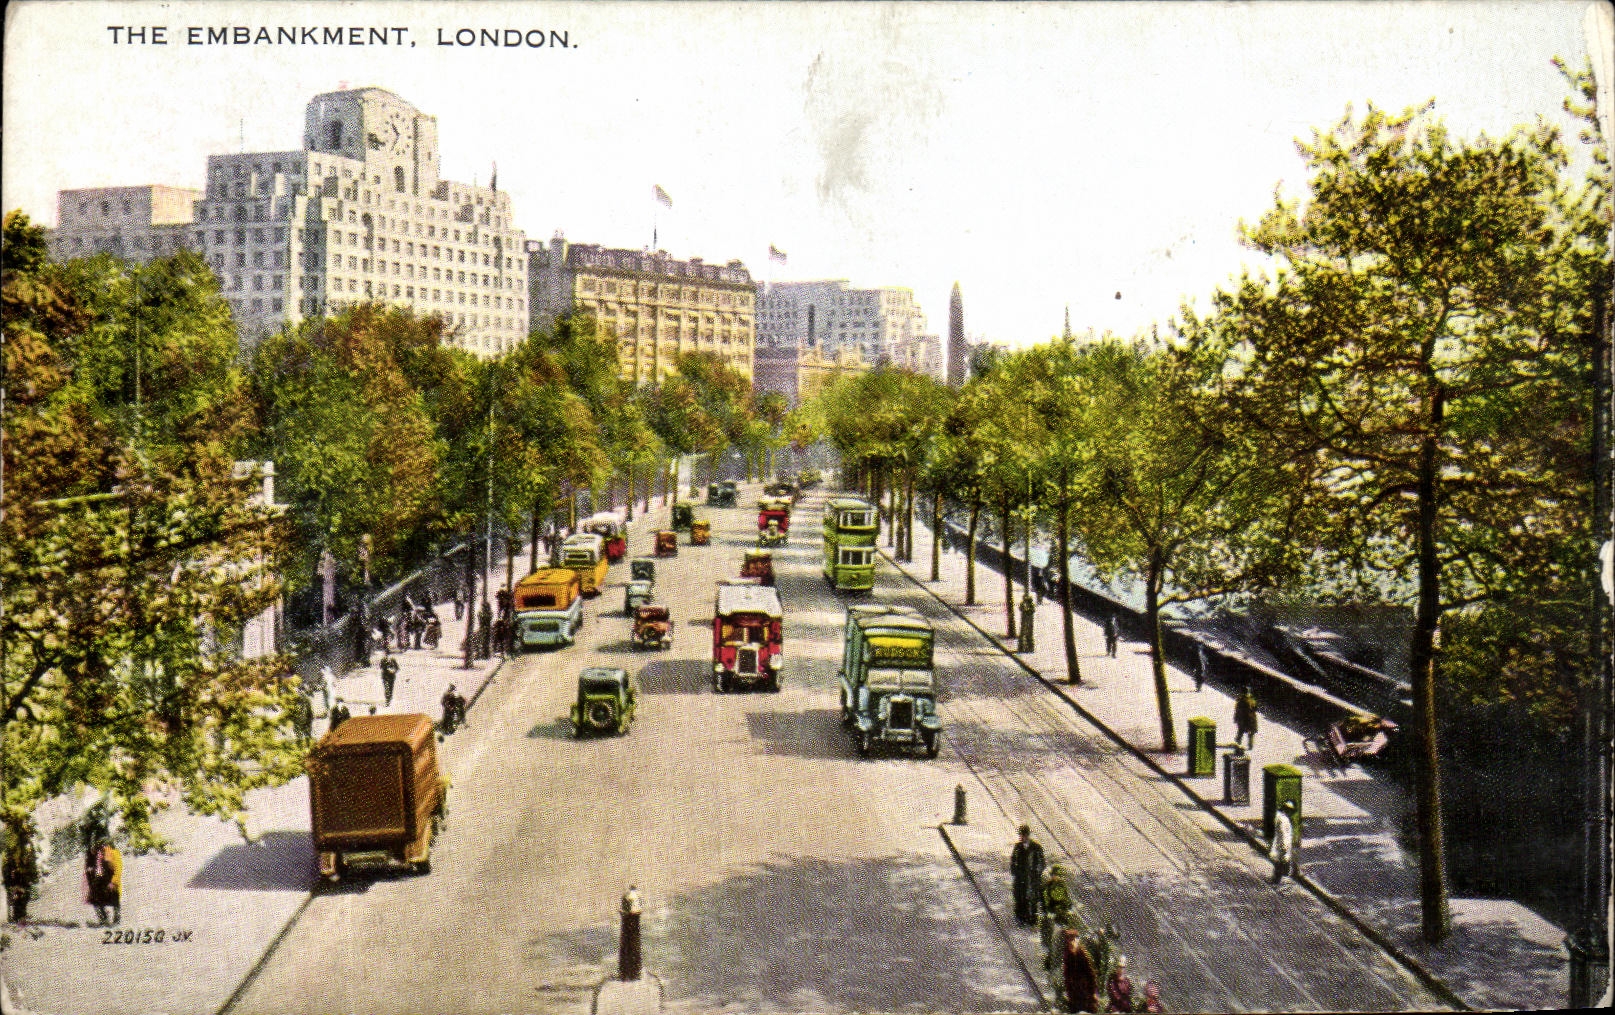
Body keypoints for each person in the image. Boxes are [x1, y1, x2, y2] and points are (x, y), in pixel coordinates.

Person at [3, 812, 39, 923]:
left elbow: (27, 850)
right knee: (17, 891)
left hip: (20, 867)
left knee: (21, 891)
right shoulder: (10, 835)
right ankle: (17, 915)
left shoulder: (20, 834)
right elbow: (9, 852)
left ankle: (19, 914)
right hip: (13, 868)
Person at [1010, 824, 1046, 926]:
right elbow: (1013, 861)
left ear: (1028, 835)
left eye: (1024, 835)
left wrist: (1036, 873)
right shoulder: (1017, 847)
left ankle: (1032, 919)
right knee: (1019, 897)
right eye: (1021, 835)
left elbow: (1042, 863)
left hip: (1032, 878)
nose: (1022, 837)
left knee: (1032, 898)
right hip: (1020, 877)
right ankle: (1020, 919)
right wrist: (1015, 871)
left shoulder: (1036, 847)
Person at [1062, 927, 1100, 1013]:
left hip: (1086, 992)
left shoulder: (1083, 955)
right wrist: (1068, 992)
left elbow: (1091, 975)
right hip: (1074, 993)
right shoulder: (1067, 955)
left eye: (1073, 940)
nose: (1071, 943)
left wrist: (1094, 992)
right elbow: (1067, 975)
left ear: (1077, 940)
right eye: (1069, 940)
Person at [86, 839, 122, 925]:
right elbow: (97, 866)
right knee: (95, 899)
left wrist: (113, 882)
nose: (103, 847)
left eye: (104, 845)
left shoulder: (114, 853)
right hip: (101, 879)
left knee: (114, 900)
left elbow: (118, 869)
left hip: (110, 880)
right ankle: (104, 919)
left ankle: (115, 920)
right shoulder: (99, 853)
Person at [1271, 800, 1297, 884]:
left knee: (1281, 862)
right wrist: (1285, 845)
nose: (1290, 813)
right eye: (1289, 810)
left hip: (1281, 843)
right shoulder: (1283, 819)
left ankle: (1277, 879)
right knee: (1281, 862)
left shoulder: (1282, 817)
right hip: (1282, 844)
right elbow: (1283, 833)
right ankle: (1277, 880)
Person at [1234, 685, 1259, 750]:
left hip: (1244, 718)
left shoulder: (1241, 700)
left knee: (1241, 730)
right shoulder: (1251, 700)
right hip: (1250, 718)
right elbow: (1255, 708)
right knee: (1249, 732)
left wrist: (1236, 717)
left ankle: (1238, 742)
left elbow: (1237, 709)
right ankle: (1249, 745)